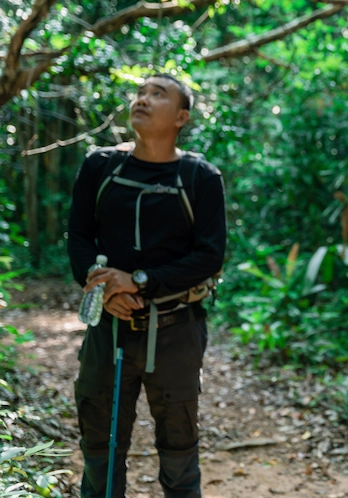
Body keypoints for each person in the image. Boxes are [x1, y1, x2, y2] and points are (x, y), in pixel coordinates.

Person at [68, 73, 227, 497]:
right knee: (100, 446)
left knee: (178, 449)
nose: (143, 99)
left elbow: (210, 255)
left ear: (181, 116)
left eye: (159, 94)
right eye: (141, 92)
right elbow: (79, 238)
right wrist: (106, 289)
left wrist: (139, 282)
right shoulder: (100, 166)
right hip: (109, 328)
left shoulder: (200, 178)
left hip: (176, 330)